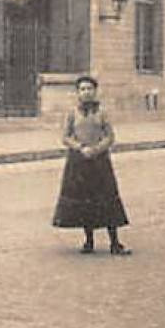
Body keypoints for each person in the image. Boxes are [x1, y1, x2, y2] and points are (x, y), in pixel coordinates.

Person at [52, 74, 131, 255]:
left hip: (100, 162)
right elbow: (65, 137)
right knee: (85, 201)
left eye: (89, 89)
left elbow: (110, 137)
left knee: (106, 199)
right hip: (79, 162)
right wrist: (80, 148)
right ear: (77, 93)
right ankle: (89, 241)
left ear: (95, 91)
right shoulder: (72, 113)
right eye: (82, 89)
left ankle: (115, 243)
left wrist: (96, 149)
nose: (86, 92)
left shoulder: (102, 113)